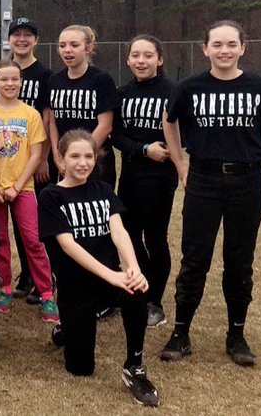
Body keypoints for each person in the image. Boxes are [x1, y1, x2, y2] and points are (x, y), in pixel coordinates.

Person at [159, 20, 261, 368]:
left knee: (239, 261)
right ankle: (180, 332)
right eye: (217, 44)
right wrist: (181, 165)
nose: (224, 51)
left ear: (242, 48)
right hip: (203, 179)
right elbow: (168, 121)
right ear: (205, 49)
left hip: (247, 182)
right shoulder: (190, 87)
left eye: (231, 44)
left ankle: (236, 335)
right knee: (195, 259)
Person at [39, 130, 160, 407]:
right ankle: (67, 330)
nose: (82, 163)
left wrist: (133, 269)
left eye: (88, 156)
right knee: (80, 369)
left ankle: (135, 366)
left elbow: (119, 231)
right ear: (61, 158)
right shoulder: (51, 197)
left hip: (110, 278)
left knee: (136, 290)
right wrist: (113, 276)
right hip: (76, 285)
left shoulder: (104, 190)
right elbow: (69, 246)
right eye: (75, 156)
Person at [0, 60, 58, 323]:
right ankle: (3, 288)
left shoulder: (31, 114)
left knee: (33, 240)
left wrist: (18, 185)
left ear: (21, 82)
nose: (9, 83)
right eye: (4, 79)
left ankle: (46, 292)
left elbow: (36, 154)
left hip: (22, 187)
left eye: (14, 79)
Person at [111, 35, 178, 329]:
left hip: (161, 177)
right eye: (135, 55)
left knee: (155, 238)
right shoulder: (122, 93)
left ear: (159, 59)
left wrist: (165, 149)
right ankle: (141, 286)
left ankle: (155, 302)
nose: (141, 60)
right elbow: (116, 136)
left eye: (148, 55)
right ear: (128, 60)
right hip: (131, 175)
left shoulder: (174, 92)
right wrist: (142, 149)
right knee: (128, 236)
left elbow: (184, 131)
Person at [6, 17, 53, 303]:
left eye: (28, 35)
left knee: (34, 226)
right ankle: (24, 276)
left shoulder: (45, 74)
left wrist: (45, 158)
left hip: (35, 158)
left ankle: (43, 281)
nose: (22, 40)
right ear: (9, 40)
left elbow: (48, 118)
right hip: (7, 157)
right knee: (14, 223)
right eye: (16, 35)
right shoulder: (4, 70)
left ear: (36, 40)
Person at [45, 24, 119, 188]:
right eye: (62, 45)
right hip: (66, 163)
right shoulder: (54, 81)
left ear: (88, 48)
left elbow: (105, 126)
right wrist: (58, 156)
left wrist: (82, 158)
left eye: (74, 45)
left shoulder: (101, 79)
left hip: (96, 162)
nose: (67, 50)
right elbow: (52, 121)